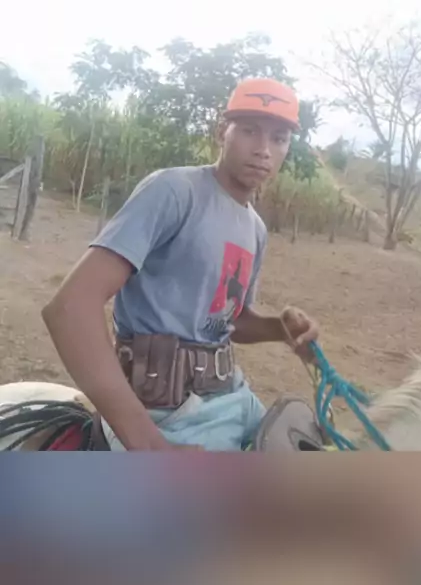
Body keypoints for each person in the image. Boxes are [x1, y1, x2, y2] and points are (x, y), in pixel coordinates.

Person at [42, 78, 320, 451]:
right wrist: (150, 446)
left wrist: (280, 329)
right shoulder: (174, 191)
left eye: (279, 138)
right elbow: (70, 308)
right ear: (222, 131)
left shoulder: (255, 228)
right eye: (249, 130)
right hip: (165, 414)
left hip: (231, 399)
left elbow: (227, 319)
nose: (263, 150)